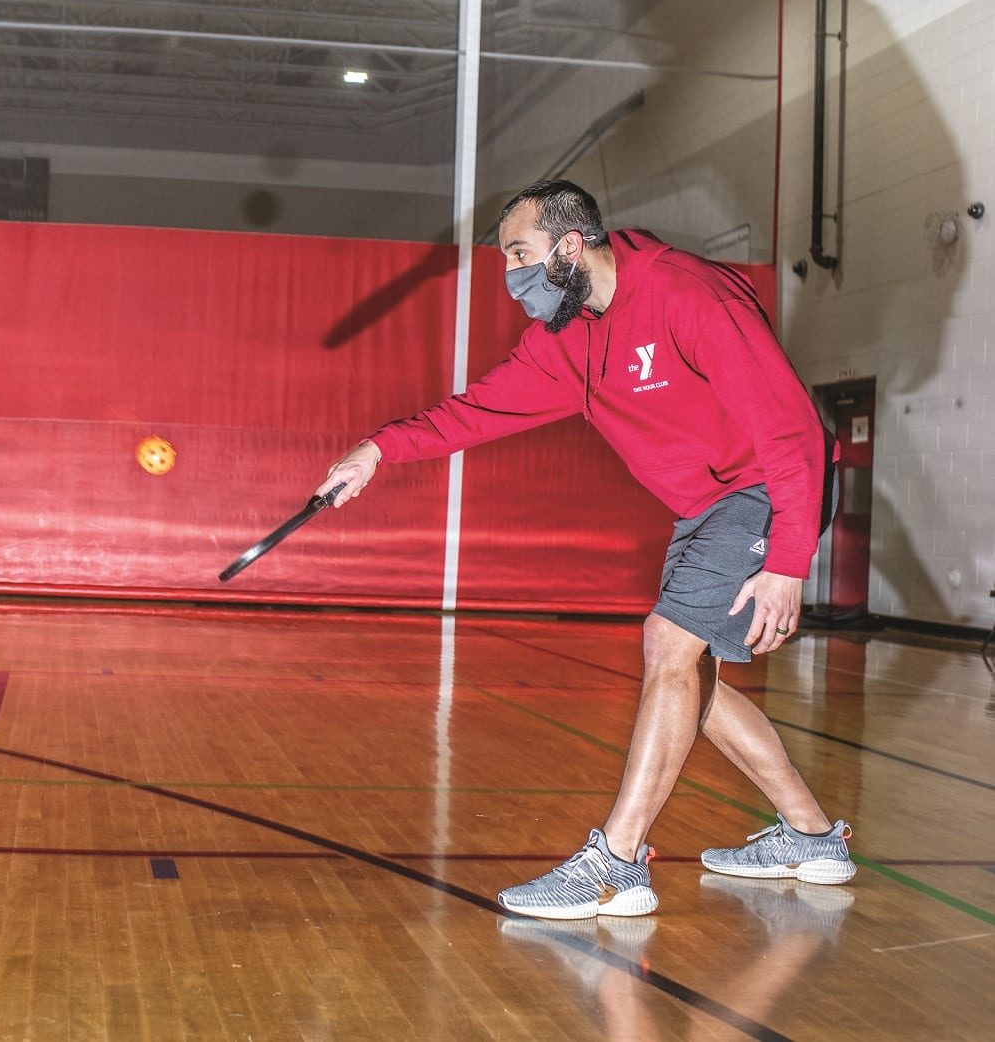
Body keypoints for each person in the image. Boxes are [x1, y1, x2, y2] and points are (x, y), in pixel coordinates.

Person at [317, 179, 854, 920]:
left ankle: (616, 866)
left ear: (570, 246)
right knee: (692, 682)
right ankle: (812, 836)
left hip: (767, 487)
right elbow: (479, 409)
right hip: (705, 507)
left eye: (520, 254)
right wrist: (378, 450)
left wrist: (788, 561)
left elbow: (790, 427)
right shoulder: (567, 341)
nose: (512, 278)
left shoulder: (690, 296)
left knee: (669, 644)